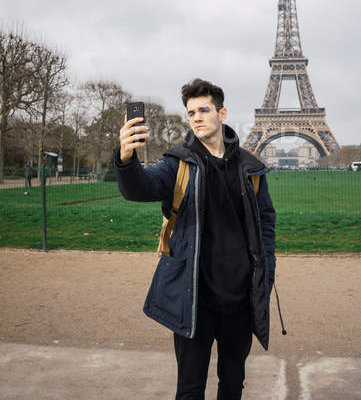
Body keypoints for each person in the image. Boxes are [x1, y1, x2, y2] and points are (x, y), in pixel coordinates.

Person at [114, 78, 276, 400]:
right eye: (191, 112)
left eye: (204, 109)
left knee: (232, 386)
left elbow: (266, 220)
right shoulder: (178, 163)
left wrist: (266, 269)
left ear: (222, 112)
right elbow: (140, 189)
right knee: (190, 390)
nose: (197, 117)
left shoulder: (250, 168)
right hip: (195, 299)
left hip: (239, 301)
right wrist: (126, 157)